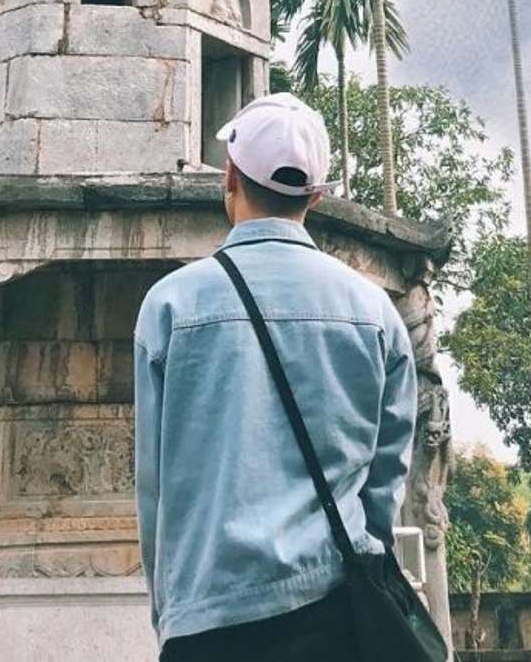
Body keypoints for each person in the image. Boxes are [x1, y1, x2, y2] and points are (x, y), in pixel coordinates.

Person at [133, 92, 418, 660]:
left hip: (206, 618)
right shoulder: (375, 312)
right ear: (315, 195)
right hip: (335, 614)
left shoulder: (169, 306)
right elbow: (386, 483)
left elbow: (154, 485)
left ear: (230, 177)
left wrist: (171, 608)